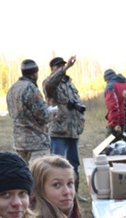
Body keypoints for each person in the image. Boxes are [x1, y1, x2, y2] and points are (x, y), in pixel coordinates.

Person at [43, 56, 86, 198]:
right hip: (58, 131)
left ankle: (74, 194)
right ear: (52, 69)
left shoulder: (70, 84)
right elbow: (50, 84)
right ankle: (55, 195)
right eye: (58, 66)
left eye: (63, 65)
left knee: (74, 164)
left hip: (72, 130)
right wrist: (66, 68)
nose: (62, 68)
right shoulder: (49, 84)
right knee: (56, 165)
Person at [6, 59, 50, 162]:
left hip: (19, 142)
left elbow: (12, 112)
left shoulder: (13, 88)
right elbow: (44, 116)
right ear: (34, 74)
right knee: (38, 175)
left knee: (23, 175)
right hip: (36, 143)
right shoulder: (30, 88)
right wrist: (52, 112)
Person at [103, 68, 126, 141]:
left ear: (107, 79)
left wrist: (115, 123)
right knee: (125, 148)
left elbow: (113, 107)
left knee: (108, 147)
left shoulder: (110, 86)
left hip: (117, 122)